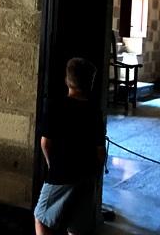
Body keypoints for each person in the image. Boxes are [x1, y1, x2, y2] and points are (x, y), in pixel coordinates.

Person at [34, 57, 107, 235]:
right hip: (87, 173)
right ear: (90, 84)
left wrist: (51, 164)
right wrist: (96, 174)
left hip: (62, 172)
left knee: (42, 218)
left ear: (66, 80)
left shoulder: (56, 105)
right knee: (78, 227)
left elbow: (45, 142)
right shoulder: (94, 111)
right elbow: (100, 150)